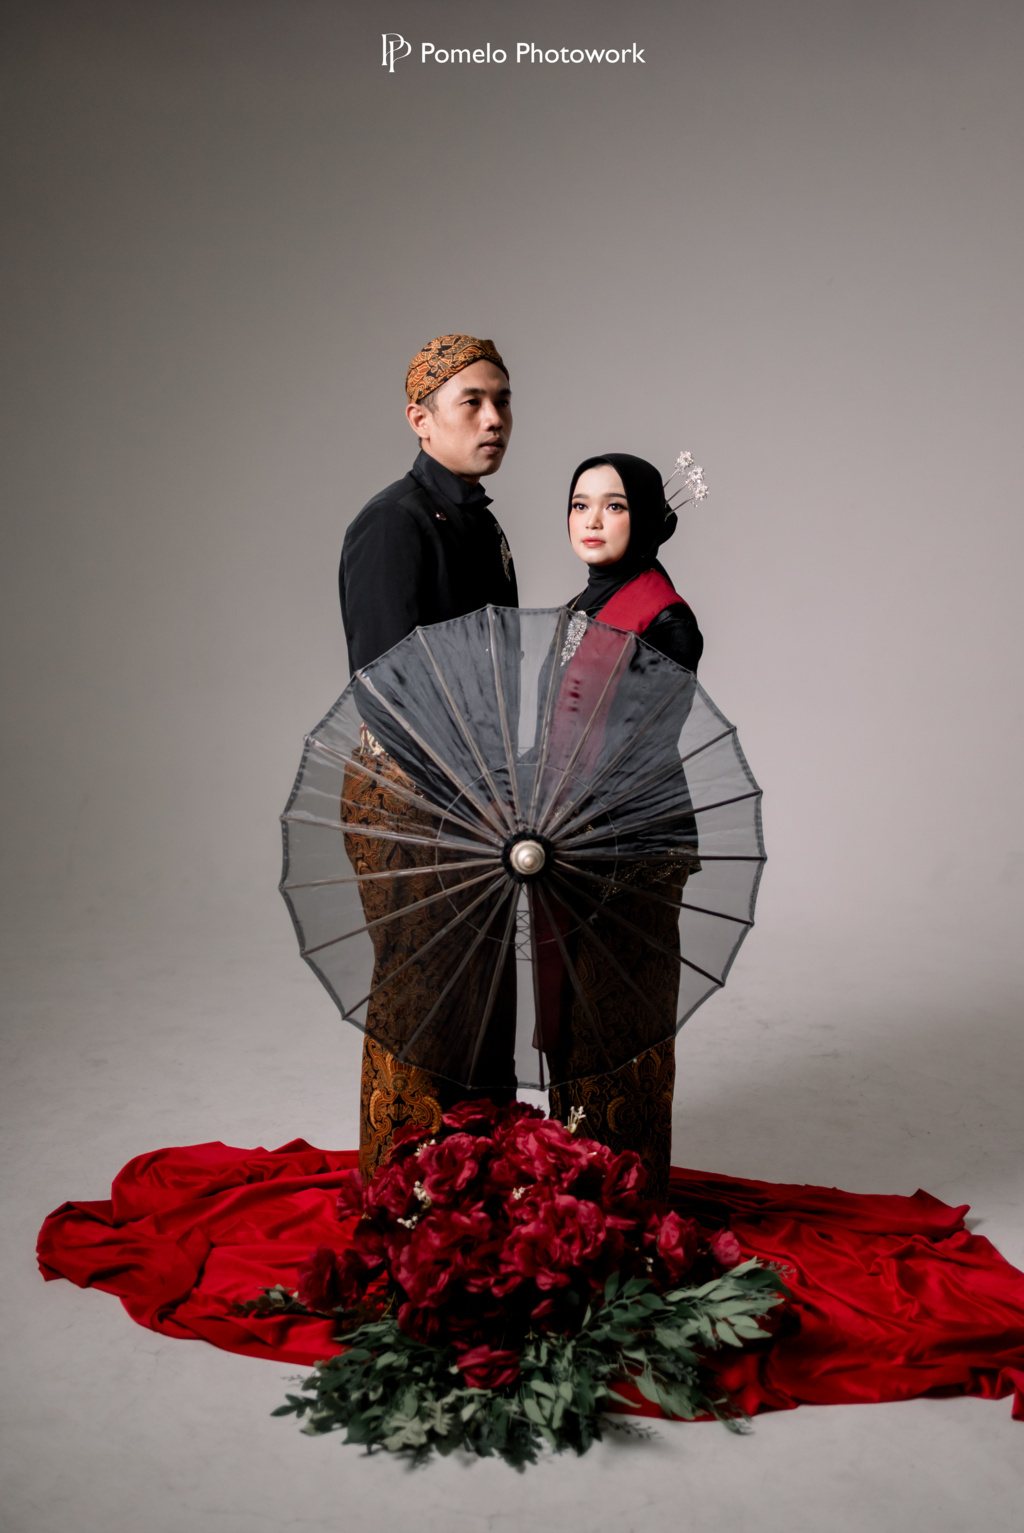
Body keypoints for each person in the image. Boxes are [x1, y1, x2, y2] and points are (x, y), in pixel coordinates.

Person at [338, 335, 519, 1179]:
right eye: (471, 402)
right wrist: (466, 790)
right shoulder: (393, 523)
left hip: (482, 793)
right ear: (420, 419)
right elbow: (384, 684)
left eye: (502, 400)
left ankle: (477, 1175)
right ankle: (402, 1185)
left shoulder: (484, 523)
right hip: (408, 792)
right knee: (420, 993)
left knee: (483, 989)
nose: (494, 418)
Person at [543, 454, 703, 1198]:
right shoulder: (580, 606)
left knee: (618, 1011)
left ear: (646, 518)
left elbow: (643, 739)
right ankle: (569, 1179)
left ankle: (622, 1189)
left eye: (614, 506)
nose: (593, 520)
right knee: (568, 1006)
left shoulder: (665, 619)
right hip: (565, 831)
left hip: (629, 836)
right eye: (580, 504)